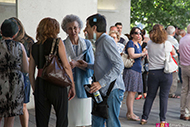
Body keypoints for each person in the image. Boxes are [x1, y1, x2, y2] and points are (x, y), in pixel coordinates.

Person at [78, 13, 125, 127]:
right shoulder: (100, 41)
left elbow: (119, 65)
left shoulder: (106, 41)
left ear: (94, 28)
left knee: (111, 123)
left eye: (87, 27)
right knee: (97, 123)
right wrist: (87, 65)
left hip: (112, 91)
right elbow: (102, 65)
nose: (85, 30)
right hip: (104, 92)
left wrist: (100, 83)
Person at [29, 17, 75, 127]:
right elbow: (66, 66)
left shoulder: (34, 46)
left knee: (41, 121)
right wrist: (72, 85)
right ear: (55, 29)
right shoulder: (57, 42)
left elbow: (31, 72)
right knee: (62, 118)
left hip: (40, 83)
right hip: (57, 84)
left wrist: (36, 88)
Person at [61, 14, 94, 127]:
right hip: (68, 84)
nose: (73, 31)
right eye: (70, 28)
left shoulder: (87, 44)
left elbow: (91, 65)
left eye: (75, 27)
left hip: (83, 83)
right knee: (71, 119)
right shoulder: (63, 44)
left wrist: (77, 64)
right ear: (65, 30)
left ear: (79, 28)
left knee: (83, 118)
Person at [141, 24, 176, 125]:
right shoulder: (167, 44)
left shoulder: (150, 44)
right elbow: (174, 54)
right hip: (165, 73)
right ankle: (162, 120)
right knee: (164, 97)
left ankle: (144, 118)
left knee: (150, 96)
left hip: (153, 72)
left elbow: (146, 52)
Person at [0, 19, 29, 127]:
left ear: (1, 32)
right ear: (16, 33)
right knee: (10, 118)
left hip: (0, 81)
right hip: (15, 83)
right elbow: (26, 69)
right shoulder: (19, 46)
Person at [9, 17, 34, 127]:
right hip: (9, 76)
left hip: (23, 76)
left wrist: (25, 59)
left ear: (19, 27)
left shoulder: (28, 41)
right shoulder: (7, 40)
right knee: (10, 106)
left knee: (23, 105)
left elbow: (34, 60)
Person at [123, 27, 147, 121]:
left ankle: (130, 112)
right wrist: (142, 54)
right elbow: (132, 55)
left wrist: (142, 55)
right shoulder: (130, 43)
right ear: (132, 34)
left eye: (140, 33)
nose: (138, 35)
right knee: (131, 92)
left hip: (137, 69)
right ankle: (130, 113)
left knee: (133, 92)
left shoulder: (138, 44)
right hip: (131, 69)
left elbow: (137, 57)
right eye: (136, 33)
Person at [179, 24, 190, 120]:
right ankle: (187, 113)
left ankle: (182, 111)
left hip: (183, 66)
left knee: (184, 89)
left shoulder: (182, 39)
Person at [166, 25, 179, 98]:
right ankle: (171, 92)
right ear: (174, 32)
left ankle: (166, 90)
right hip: (173, 59)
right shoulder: (174, 41)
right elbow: (178, 49)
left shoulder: (164, 39)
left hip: (165, 58)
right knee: (174, 76)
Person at [135, 29, 148, 100]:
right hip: (137, 62)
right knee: (138, 78)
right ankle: (139, 93)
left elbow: (145, 52)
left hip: (143, 63)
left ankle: (145, 93)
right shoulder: (135, 44)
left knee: (144, 78)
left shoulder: (145, 44)